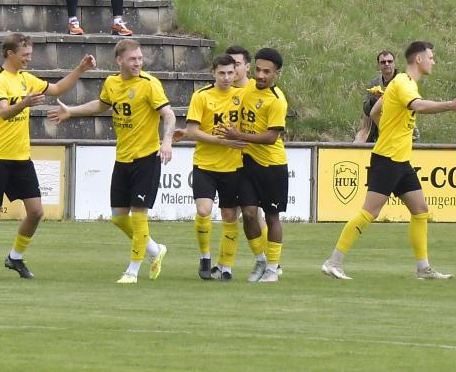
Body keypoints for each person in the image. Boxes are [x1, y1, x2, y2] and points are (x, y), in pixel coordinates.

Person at [322, 41, 456, 280]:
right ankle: (333, 261)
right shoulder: (403, 83)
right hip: (387, 159)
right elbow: (417, 106)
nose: (434, 61)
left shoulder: (399, 83)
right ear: (419, 60)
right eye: (431, 57)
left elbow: (374, 112)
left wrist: (389, 129)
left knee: (420, 210)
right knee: (370, 212)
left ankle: (423, 268)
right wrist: (449, 105)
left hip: (400, 160)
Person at [47, 39, 174, 284]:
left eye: (140, 58)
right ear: (119, 61)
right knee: (118, 217)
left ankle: (132, 271)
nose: (138, 63)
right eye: (132, 59)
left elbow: (168, 114)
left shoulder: (150, 84)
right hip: (123, 158)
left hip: (147, 158)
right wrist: (71, 111)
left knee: (139, 216)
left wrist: (166, 141)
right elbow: (101, 105)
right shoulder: (112, 83)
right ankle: (156, 251)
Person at [0, 33, 95, 282]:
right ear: (10, 54)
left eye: (30, 54)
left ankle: (15, 257)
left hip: (21, 156)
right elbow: (4, 113)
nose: (29, 59)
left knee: (36, 211)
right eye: (25, 55)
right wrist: (26, 102)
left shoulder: (25, 79)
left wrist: (80, 69)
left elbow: (57, 89)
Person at [220, 48, 288, 283]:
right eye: (258, 70)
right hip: (248, 163)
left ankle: (272, 268)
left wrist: (238, 135)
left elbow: (271, 137)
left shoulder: (277, 101)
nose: (260, 75)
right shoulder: (248, 88)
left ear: (277, 74)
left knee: (272, 217)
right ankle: (260, 260)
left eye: (266, 72)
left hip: (272, 166)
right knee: (249, 214)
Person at [185, 54, 247, 281]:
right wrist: (222, 141)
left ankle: (227, 267)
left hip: (233, 167)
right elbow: (192, 131)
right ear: (213, 73)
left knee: (230, 216)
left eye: (231, 72)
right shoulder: (201, 96)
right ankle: (205, 256)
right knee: (204, 211)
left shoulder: (243, 96)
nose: (227, 77)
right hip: (206, 165)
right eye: (222, 73)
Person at [355, 50, 398, 143]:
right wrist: (372, 100)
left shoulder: (402, 81)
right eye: (383, 62)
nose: (387, 64)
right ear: (378, 65)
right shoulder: (375, 83)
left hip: (398, 128)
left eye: (389, 61)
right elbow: (366, 110)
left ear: (394, 63)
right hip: (377, 130)